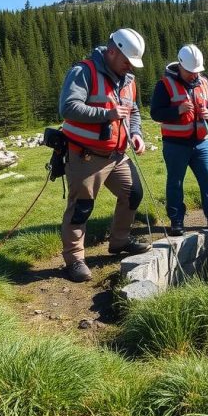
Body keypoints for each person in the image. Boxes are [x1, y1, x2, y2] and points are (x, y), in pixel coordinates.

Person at [57, 28, 152, 282]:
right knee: (81, 207)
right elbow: (67, 107)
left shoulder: (129, 79)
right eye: (126, 61)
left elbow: (133, 112)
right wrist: (106, 114)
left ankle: (119, 241)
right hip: (85, 156)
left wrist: (136, 134)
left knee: (133, 194)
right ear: (112, 51)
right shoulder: (83, 72)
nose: (129, 67)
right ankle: (74, 259)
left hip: (117, 154)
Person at [150, 44, 208, 236]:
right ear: (180, 66)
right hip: (175, 144)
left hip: (201, 143)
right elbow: (155, 113)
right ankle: (176, 221)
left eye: (197, 71)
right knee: (175, 182)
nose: (194, 75)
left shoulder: (204, 83)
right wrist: (176, 111)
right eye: (190, 71)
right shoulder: (164, 85)